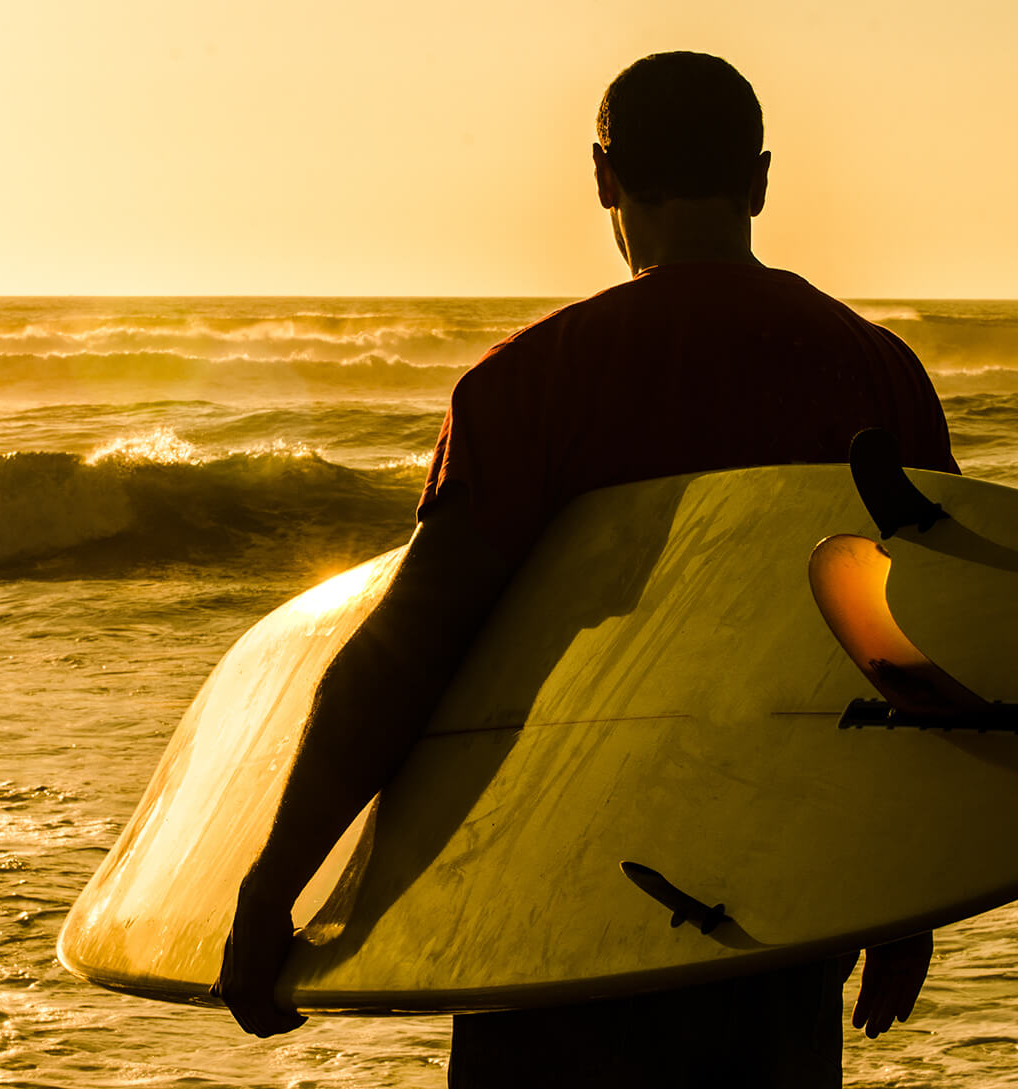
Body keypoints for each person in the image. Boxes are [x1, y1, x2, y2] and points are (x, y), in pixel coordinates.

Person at [215, 51, 953, 1086]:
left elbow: (408, 651)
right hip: (784, 890)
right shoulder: (877, 370)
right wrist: (909, 891)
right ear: (760, 179)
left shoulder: (534, 381)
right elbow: (914, 641)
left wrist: (270, 886)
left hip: (558, 887)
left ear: (604, 177)